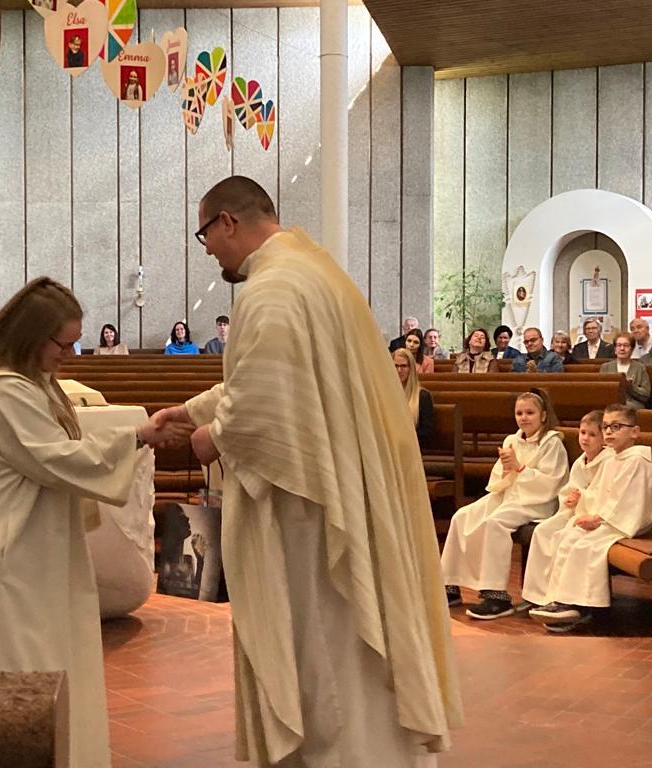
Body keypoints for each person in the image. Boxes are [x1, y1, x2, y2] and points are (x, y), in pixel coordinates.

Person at [157, 176, 461, 766]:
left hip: (306, 501)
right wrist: (192, 411)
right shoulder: (314, 272)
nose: (208, 251)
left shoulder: (272, 288)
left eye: (205, 236)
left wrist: (209, 437)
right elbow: (276, 375)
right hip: (338, 477)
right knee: (346, 636)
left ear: (227, 222)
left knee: (321, 640)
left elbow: (263, 401)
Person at [0, 277, 192, 768]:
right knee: (21, 664)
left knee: (50, 654)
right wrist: (137, 437)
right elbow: (57, 458)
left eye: (74, 343)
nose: (69, 354)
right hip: (4, 545)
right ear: (31, 336)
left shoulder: (28, 382)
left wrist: (139, 436)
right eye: (62, 344)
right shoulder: (2, 391)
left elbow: (60, 448)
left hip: (31, 539)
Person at [527, 404, 652, 632]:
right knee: (567, 536)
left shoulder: (637, 461)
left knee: (584, 545)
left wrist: (598, 519)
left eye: (616, 427)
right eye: (606, 426)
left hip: (625, 523)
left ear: (634, 432)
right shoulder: (614, 459)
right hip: (611, 520)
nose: (608, 432)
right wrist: (583, 504)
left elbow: (629, 503)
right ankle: (560, 600)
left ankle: (583, 607)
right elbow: (598, 493)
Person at [442, 389, 568, 619]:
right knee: (463, 516)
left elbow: (551, 484)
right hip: (510, 495)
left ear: (543, 415)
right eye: (519, 413)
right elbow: (498, 480)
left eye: (530, 412)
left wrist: (519, 468)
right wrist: (506, 470)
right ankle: (450, 585)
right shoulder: (512, 440)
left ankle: (496, 596)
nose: (524, 417)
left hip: (537, 503)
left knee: (495, 523)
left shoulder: (552, 443)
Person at [519, 410, 611, 627]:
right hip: (575, 512)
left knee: (562, 536)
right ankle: (537, 596)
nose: (585, 438)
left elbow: (604, 495)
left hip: (593, 517)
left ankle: (561, 599)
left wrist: (583, 499)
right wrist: (569, 499)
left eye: (592, 435)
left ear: (604, 439)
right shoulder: (580, 461)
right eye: (582, 433)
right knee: (542, 532)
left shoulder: (608, 461)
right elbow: (570, 489)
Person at [394, 348, 435, 449]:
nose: (399, 370)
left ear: (411, 368)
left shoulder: (423, 396)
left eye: (403, 366)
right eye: (396, 366)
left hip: (414, 447)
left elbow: (427, 432)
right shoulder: (387, 394)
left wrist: (403, 438)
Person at [600, 332, 650, 409]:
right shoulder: (606, 367)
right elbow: (600, 391)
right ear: (615, 349)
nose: (622, 349)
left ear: (632, 349)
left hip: (633, 407)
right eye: (619, 345)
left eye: (626, 345)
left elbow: (646, 395)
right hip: (610, 406)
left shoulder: (640, 368)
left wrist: (631, 387)